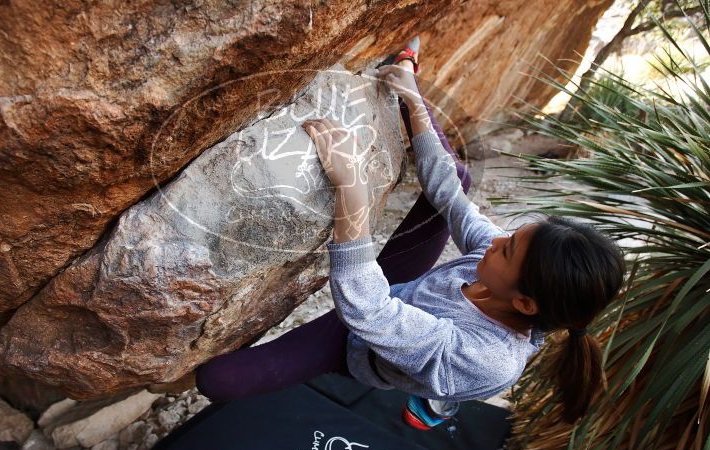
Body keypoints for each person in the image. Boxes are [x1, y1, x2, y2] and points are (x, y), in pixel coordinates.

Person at [193, 37, 626, 429]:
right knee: (455, 180)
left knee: (218, 380)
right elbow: (451, 197)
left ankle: (436, 395)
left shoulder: (486, 360)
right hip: (401, 292)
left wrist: (351, 188)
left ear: (525, 302)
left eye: (508, 250)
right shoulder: (500, 268)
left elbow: (366, 311)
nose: (494, 240)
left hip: (360, 344)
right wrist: (412, 101)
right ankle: (405, 70)